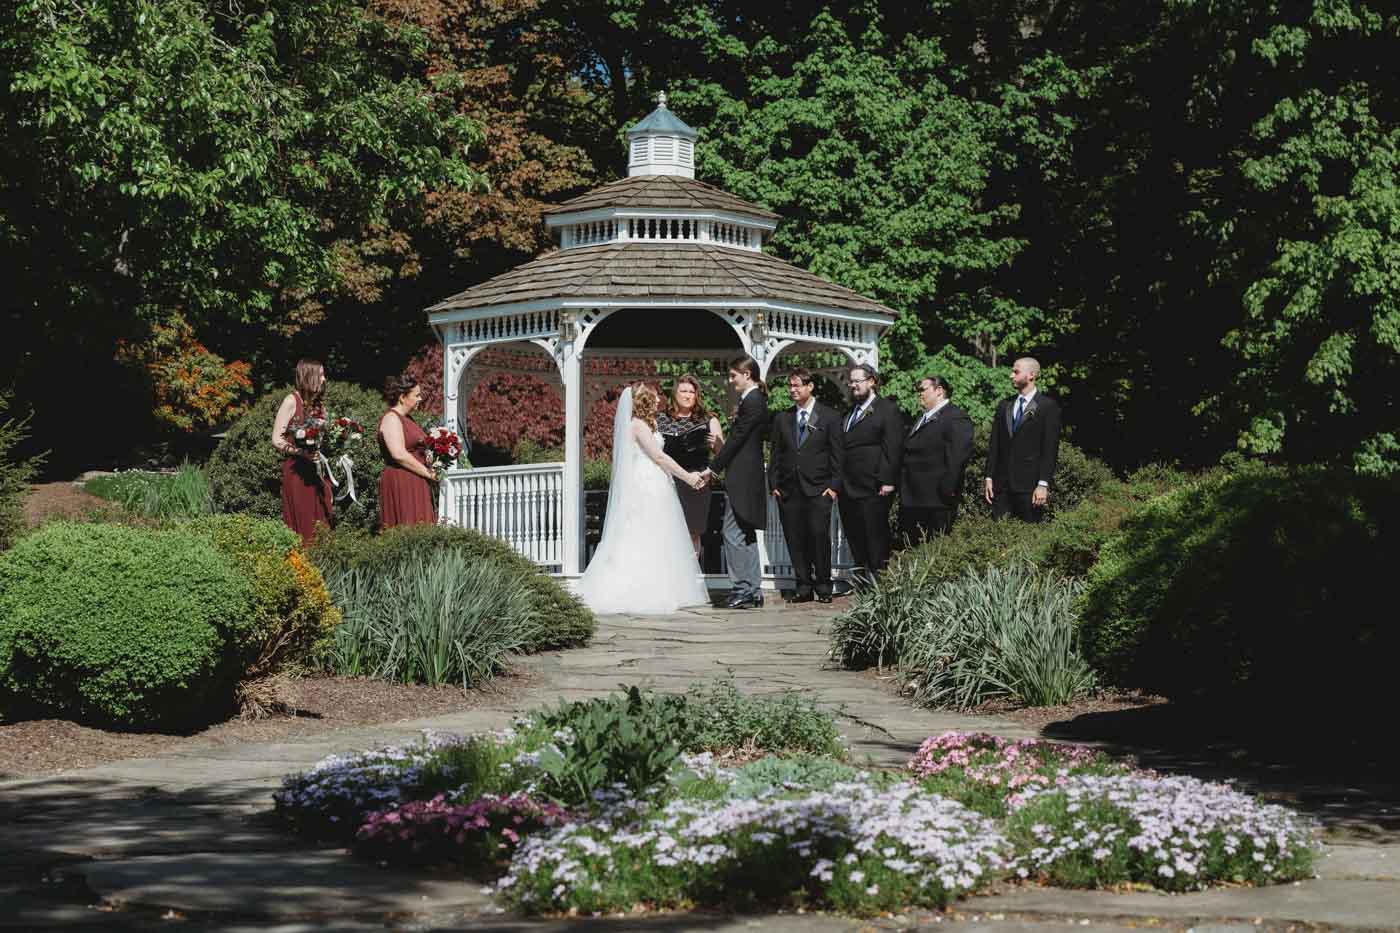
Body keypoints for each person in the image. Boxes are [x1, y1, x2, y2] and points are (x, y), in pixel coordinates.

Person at [577, 383, 710, 614]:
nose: (659, 401)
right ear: (646, 402)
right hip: (646, 485)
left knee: (658, 536)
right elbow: (659, 456)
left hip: (658, 484)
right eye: (655, 398)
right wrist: (688, 477)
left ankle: (663, 587)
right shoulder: (637, 426)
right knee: (643, 534)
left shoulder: (650, 424)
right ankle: (639, 590)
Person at [768, 368, 843, 603]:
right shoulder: (783, 418)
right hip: (789, 490)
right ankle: (803, 585)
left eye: (797, 385)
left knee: (819, 537)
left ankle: (823, 585)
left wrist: (833, 486)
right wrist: (774, 485)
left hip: (819, 489)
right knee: (795, 538)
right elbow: (776, 454)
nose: (793, 390)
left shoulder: (829, 417)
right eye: (790, 386)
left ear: (810, 387)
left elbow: (838, 455)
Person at [703, 356, 769, 610]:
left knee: (732, 533)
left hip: (743, 475)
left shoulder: (752, 401)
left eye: (734, 376)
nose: (731, 381)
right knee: (745, 533)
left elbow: (737, 440)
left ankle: (742, 588)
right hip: (748, 474)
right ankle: (752, 589)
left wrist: (713, 467)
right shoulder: (753, 400)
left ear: (747, 375)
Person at [837, 364, 902, 586]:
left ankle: (878, 584)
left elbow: (892, 447)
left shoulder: (887, 409)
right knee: (855, 537)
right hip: (848, 487)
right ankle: (861, 584)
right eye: (851, 381)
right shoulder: (848, 413)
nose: (853, 385)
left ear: (872, 381)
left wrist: (888, 480)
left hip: (874, 486)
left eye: (858, 380)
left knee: (875, 537)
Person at [984, 357, 1062, 523]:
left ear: (1031, 375)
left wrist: (1043, 484)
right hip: (1001, 486)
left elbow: (1050, 449)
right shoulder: (1004, 405)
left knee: (1028, 538)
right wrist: (989, 477)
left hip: (1030, 487)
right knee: (998, 535)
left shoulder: (1048, 407)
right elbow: (995, 444)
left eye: (1016, 371)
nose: (1011, 375)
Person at [657, 375, 724, 562]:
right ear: (675, 394)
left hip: (697, 483)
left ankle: (690, 575)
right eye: (683, 391)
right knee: (667, 531)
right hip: (667, 482)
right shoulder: (660, 419)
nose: (687, 395)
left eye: (691, 392)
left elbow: (722, 454)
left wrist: (718, 444)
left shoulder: (709, 420)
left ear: (697, 395)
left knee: (693, 532)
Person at [899, 375, 974, 542]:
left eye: (923, 389)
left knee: (936, 546)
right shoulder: (921, 418)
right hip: (914, 498)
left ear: (939, 391)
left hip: (937, 499)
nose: (919, 394)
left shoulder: (955, 417)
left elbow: (958, 456)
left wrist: (947, 488)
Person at [271, 358, 334, 544]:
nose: (324, 379)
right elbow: (276, 439)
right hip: (297, 473)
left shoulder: (318, 405)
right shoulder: (291, 401)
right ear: (309, 376)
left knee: (322, 521)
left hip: (316, 472)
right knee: (303, 524)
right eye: (321, 375)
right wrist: (301, 452)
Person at [378, 373, 437, 529]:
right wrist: (428, 473)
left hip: (416, 480)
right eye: (416, 395)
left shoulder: (408, 419)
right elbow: (399, 454)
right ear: (402, 397)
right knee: (407, 525)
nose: (420, 399)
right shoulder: (391, 418)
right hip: (401, 480)